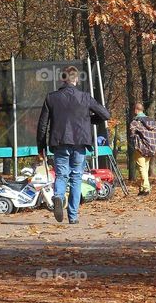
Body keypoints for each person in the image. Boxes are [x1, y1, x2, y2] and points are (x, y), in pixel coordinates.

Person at [37, 66, 110, 224]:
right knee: (76, 177)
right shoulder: (84, 97)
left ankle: (58, 196)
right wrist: (86, 119)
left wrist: (40, 147)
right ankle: (73, 216)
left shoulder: (51, 97)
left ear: (62, 79)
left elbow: (42, 124)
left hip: (60, 142)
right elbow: (105, 115)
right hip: (80, 142)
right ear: (76, 79)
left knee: (61, 175)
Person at [129, 103, 156, 196]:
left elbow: (131, 133)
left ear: (136, 110)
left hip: (140, 147)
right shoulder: (151, 121)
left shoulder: (135, 121)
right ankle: (142, 189)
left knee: (142, 168)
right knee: (145, 168)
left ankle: (146, 188)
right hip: (151, 148)